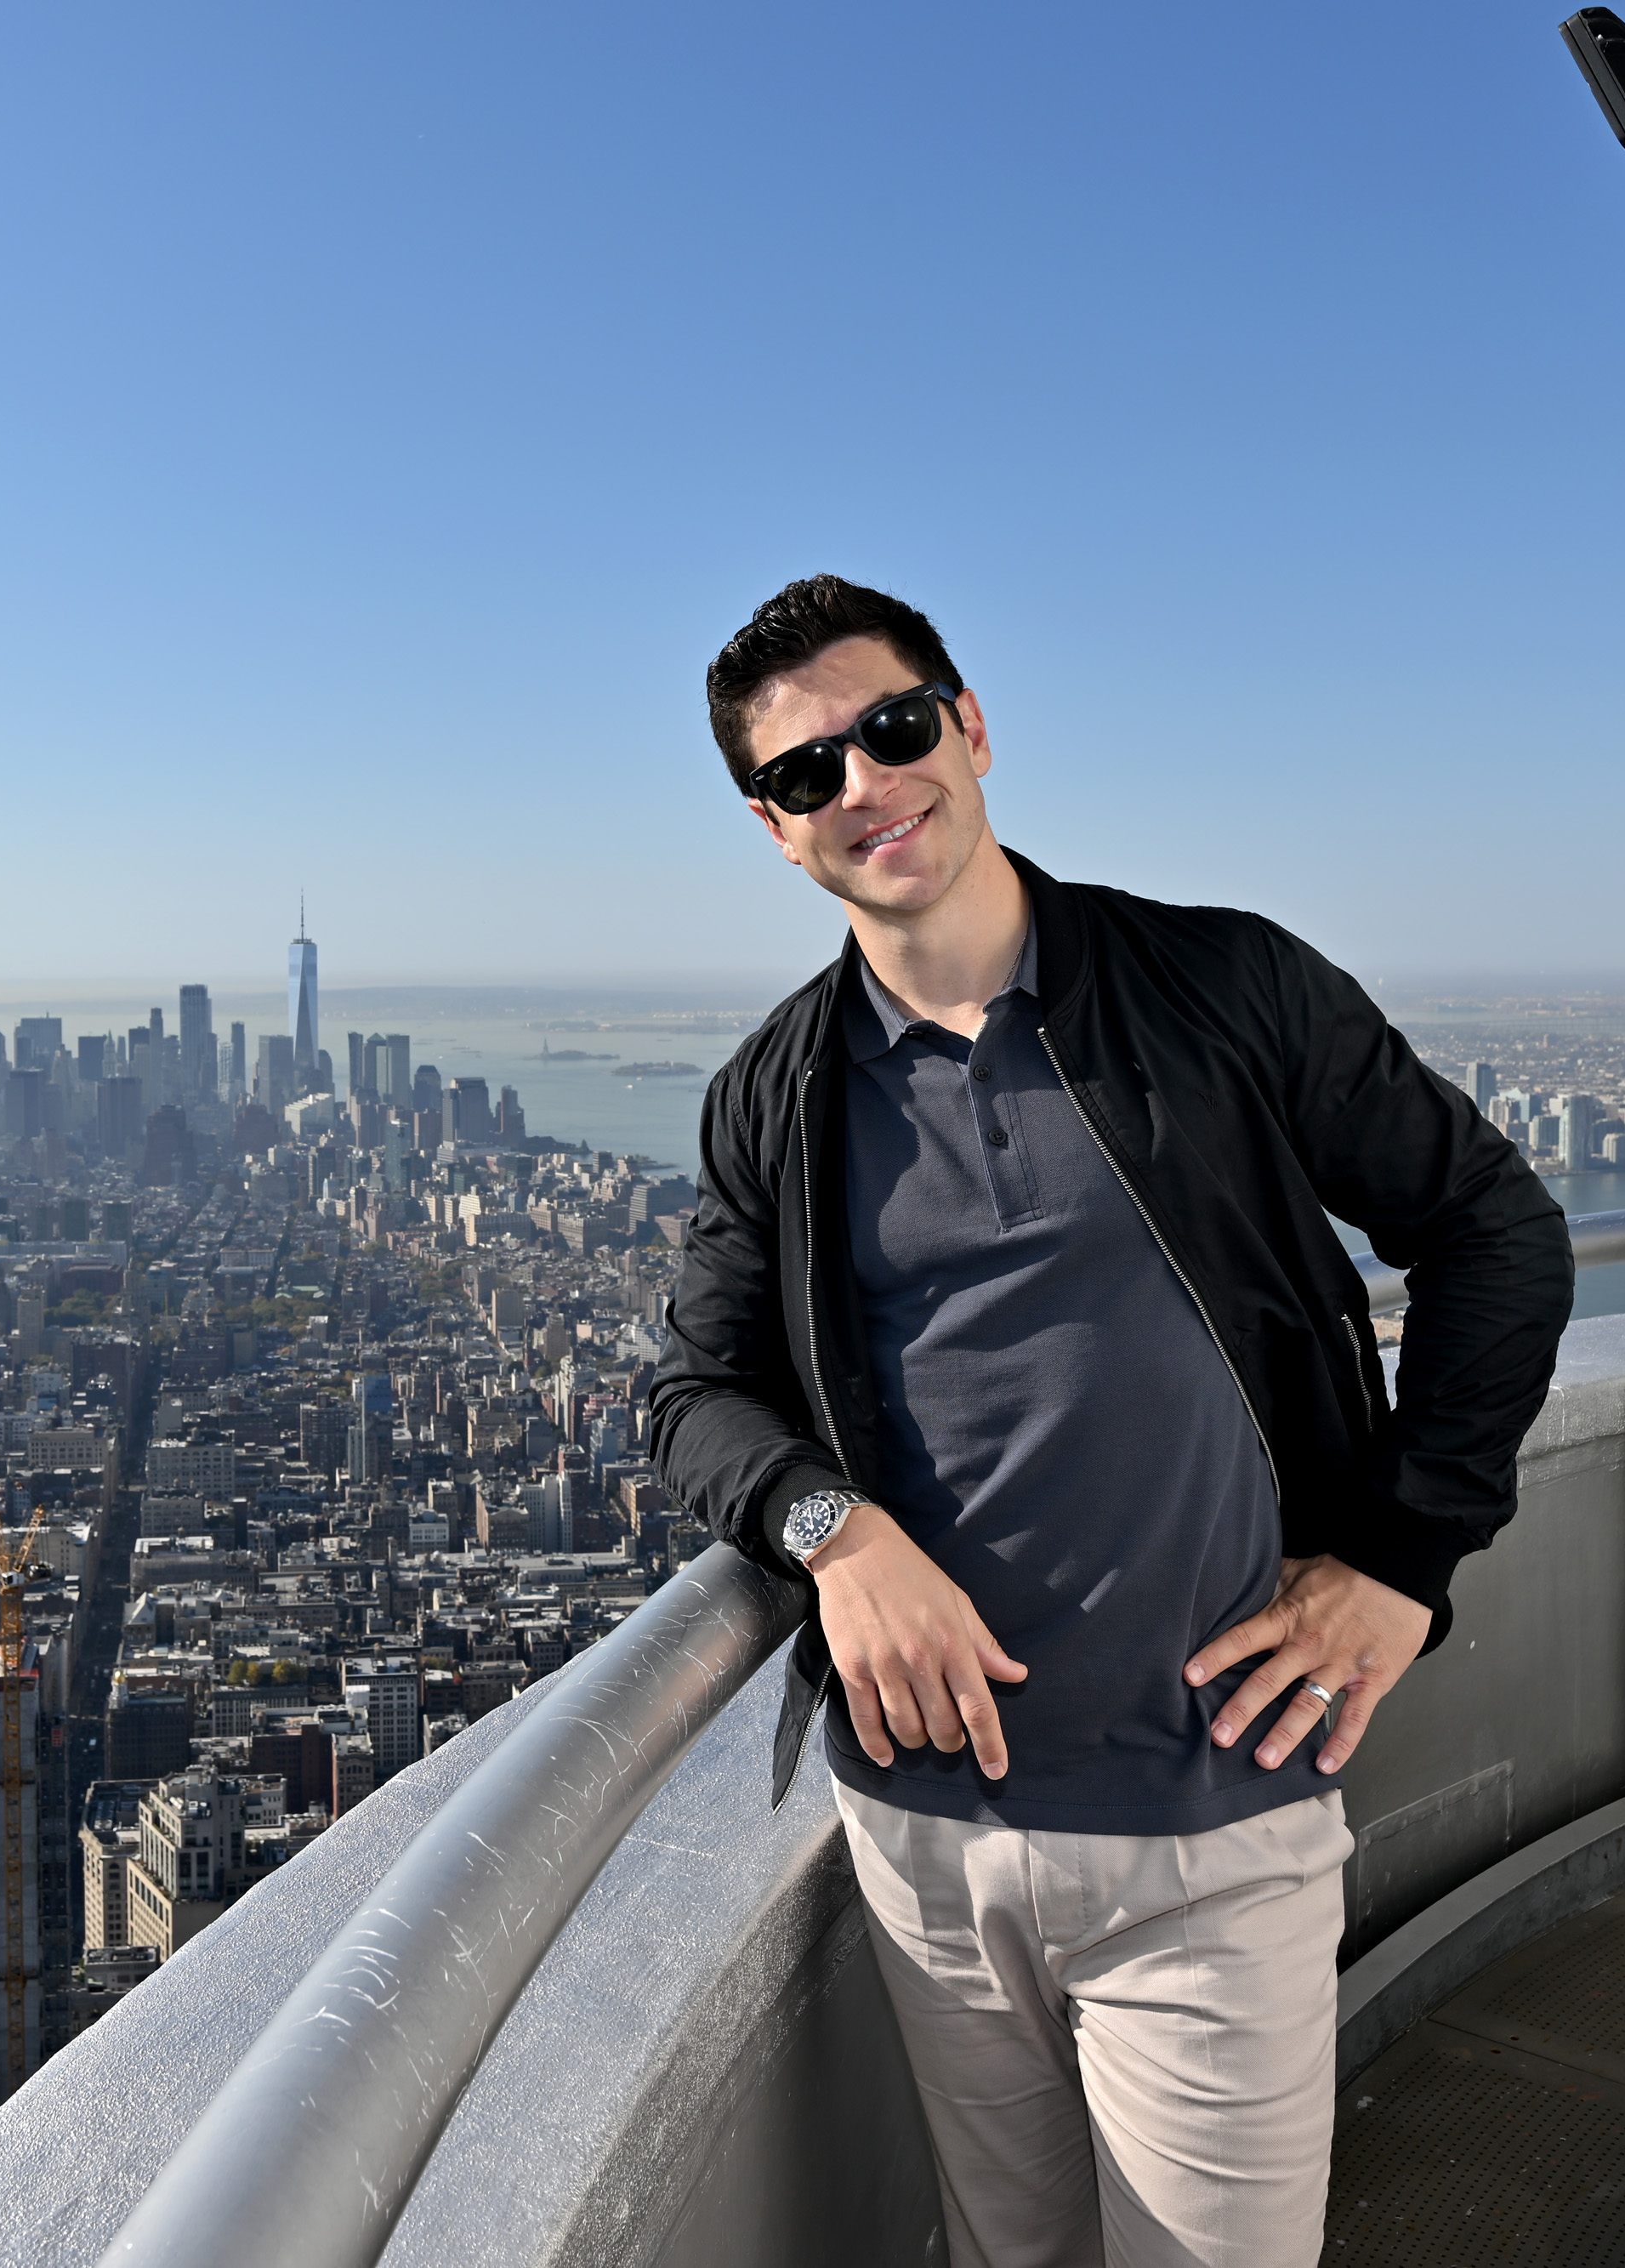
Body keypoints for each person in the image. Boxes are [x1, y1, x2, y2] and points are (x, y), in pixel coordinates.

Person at [647, 576, 1571, 2267]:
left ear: (969, 726)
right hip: (922, 1838)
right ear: (772, 830)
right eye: (801, 776)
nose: (859, 784)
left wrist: (1400, 1550)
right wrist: (827, 1529)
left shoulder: (1216, 986)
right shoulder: (773, 1097)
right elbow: (689, 1394)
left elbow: (1490, 1229)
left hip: (1207, 1825)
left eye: (891, 728)